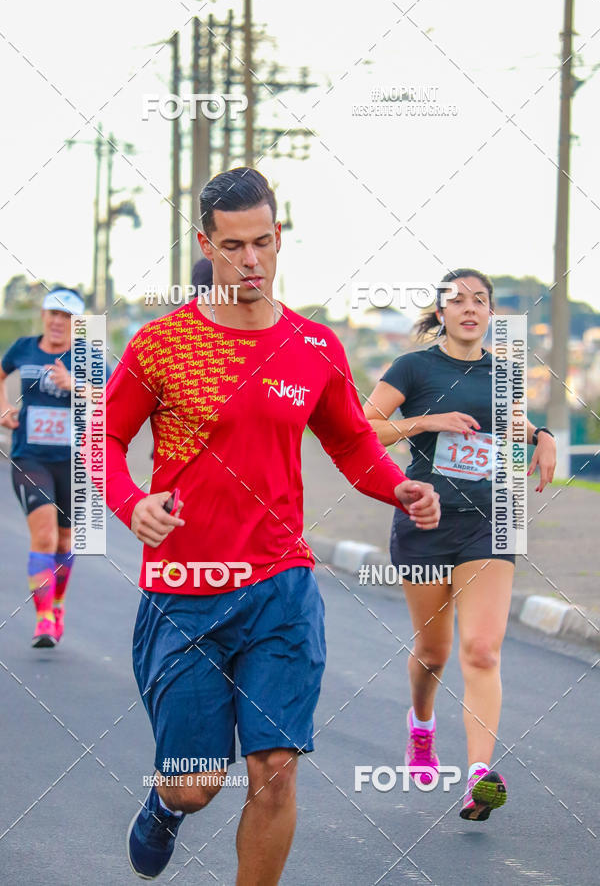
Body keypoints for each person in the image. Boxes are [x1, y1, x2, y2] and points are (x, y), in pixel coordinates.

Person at [103, 167, 441, 882]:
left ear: (278, 237)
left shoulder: (314, 347)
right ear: (206, 244)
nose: (250, 260)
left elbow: (350, 443)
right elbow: (98, 440)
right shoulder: (162, 345)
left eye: (262, 242)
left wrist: (401, 488)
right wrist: (132, 502)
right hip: (185, 588)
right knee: (195, 784)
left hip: (279, 586)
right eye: (232, 246)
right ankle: (167, 807)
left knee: (275, 769)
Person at [364, 269, 556, 822]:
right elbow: (364, 425)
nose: (470, 308)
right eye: (458, 301)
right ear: (441, 312)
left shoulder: (505, 372)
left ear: (491, 313)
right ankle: (421, 727)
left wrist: (541, 437)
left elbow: (510, 425)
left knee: (481, 650)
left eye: (480, 301)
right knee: (434, 653)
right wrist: (429, 420)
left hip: (489, 523)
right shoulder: (414, 367)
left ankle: (478, 776)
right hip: (425, 520)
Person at [0, 286, 86, 648]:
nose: (57, 321)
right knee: (45, 536)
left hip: (72, 463)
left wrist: (77, 385)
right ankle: (44, 619)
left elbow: (116, 393)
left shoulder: (88, 357)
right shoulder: (23, 347)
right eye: (53, 313)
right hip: (29, 457)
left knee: (65, 541)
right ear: (43, 315)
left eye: (66, 316)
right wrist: (3, 408)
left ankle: (58, 603)